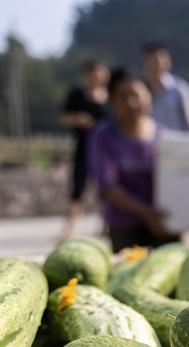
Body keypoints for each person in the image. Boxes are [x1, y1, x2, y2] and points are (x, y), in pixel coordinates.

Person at [88, 67, 178, 252]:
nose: (132, 103)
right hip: (125, 226)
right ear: (112, 101)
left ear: (149, 98)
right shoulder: (103, 136)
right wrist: (147, 213)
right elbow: (108, 187)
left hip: (165, 223)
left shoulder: (165, 137)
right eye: (123, 97)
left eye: (137, 96)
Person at [60, 60, 110, 238]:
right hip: (83, 148)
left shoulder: (112, 96)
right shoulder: (77, 95)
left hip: (107, 151)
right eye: (92, 73)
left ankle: (107, 225)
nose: (95, 77)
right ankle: (69, 229)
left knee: (107, 189)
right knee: (77, 190)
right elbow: (64, 117)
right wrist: (78, 119)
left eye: (99, 73)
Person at [141, 42, 189, 132]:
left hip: (176, 143)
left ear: (169, 62)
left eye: (158, 59)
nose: (155, 63)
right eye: (150, 59)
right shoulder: (139, 89)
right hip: (148, 143)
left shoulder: (180, 88)